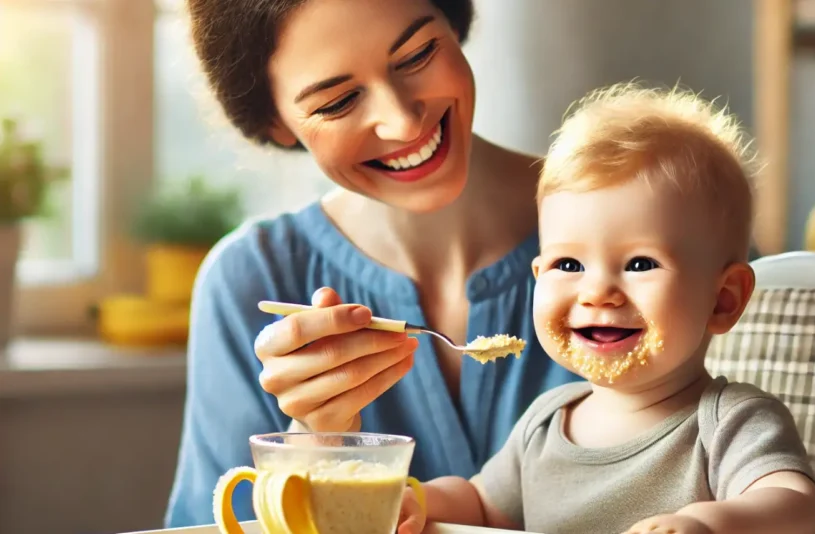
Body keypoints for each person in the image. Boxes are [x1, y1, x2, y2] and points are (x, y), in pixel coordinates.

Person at [164, 0, 584, 527]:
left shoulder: (643, 229)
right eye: (339, 101)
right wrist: (313, 439)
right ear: (275, 121)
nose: (403, 121)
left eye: (417, 54)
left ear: (453, 23)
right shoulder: (249, 280)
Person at [396, 83, 815, 534]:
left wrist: (707, 524)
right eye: (569, 264)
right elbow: (482, 503)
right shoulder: (544, 422)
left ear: (723, 299)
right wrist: (418, 500)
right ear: (538, 275)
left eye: (640, 263)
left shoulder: (729, 422)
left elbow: (794, 505)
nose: (597, 292)